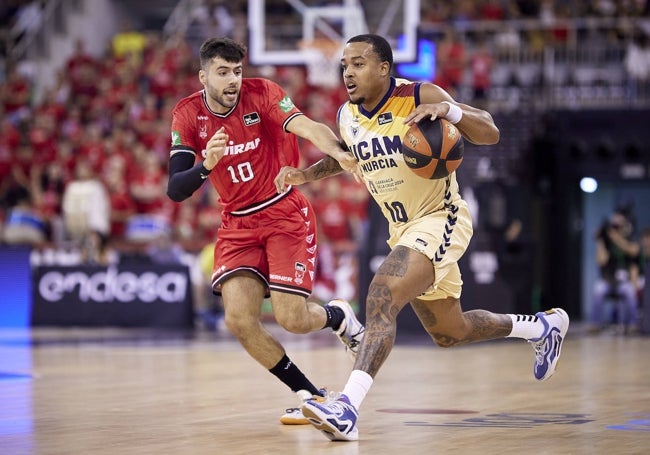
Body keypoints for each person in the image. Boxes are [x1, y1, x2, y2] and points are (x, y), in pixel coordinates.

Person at [274, 34, 570, 441]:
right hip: (403, 229)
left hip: (440, 218)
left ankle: (346, 407)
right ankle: (541, 328)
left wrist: (449, 110)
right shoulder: (346, 114)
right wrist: (308, 174)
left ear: (383, 68)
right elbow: (349, 155)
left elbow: (490, 132)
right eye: (344, 65)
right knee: (451, 332)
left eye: (357, 63)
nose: (347, 72)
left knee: (380, 296)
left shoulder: (418, 96)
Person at [165, 37, 365, 425]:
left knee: (292, 319)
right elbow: (176, 188)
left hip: (283, 213)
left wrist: (338, 151)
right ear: (203, 75)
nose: (233, 80)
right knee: (239, 320)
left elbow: (306, 126)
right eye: (223, 72)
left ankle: (337, 318)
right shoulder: (188, 114)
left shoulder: (262, 93)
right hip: (237, 222)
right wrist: (206, 165)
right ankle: (312, 395)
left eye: (237, 71)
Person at [588, 210, 641, 333]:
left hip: (623, 282)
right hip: (608, 280)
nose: (615, 229)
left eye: (618, 226)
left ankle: (633, 324)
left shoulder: (628, 238)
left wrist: (616, 238)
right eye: (614, 226)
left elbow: (633, 250)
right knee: (598, 290)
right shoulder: (606, 241)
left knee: (630, 291)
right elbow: (601, 260)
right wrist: (600, 240)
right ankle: (595, 324)